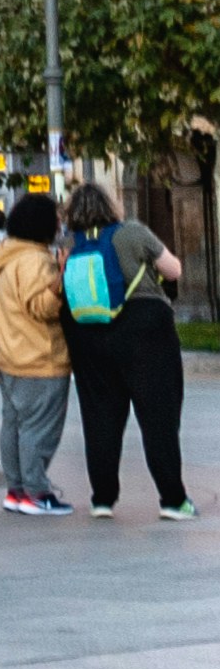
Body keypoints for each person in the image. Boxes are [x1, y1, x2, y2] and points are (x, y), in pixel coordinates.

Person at [60, 182, 192, 521]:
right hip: (145, 326)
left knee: (99, 416)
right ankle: (173, 500)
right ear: (111, 205)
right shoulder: (132, 232)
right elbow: (174, 270)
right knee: (157, 415)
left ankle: (102, 499)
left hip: (86, 332)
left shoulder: (68, 242)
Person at [0, 190, 77, 514]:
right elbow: (42, 308)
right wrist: (62, 279)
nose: (59, 224)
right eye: (56, 218)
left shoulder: (6, 255)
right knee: (39, 429)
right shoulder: (35, 260)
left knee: (13, 426)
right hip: (40, 357)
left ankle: (16, 489)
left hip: (9, 356)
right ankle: (36, 492)